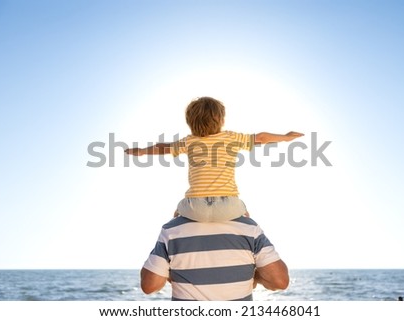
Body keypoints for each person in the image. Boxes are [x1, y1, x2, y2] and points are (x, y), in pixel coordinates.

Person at [125, 96, 304, 222]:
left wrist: (141, 151)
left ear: (190, 122)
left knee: (176, 214)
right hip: (229, 205)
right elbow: (262, 138)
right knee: (246, 217)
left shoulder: (189, 142)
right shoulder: (231, 138)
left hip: (195, 207)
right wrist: (286, 137)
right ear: (221, 120)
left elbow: (163, 148)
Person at [140, 215, 289, 301]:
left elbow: (149, 286)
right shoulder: (248, 228)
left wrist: (173, 272)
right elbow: (279, 281)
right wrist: (254, 278)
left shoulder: (172, 229)